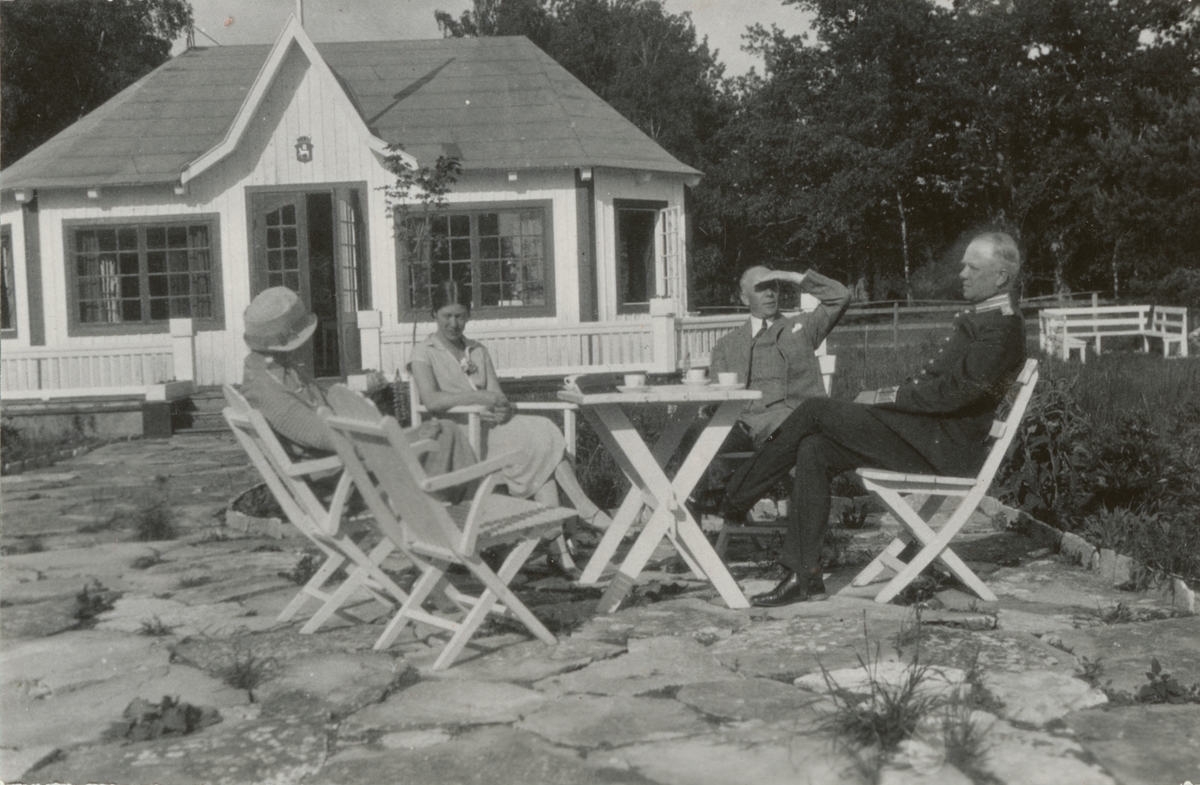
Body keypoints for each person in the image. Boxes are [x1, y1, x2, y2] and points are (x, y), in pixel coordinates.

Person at [720, 232, 1027, 607]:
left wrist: (887, 397)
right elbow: (942, 387)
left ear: (999, 277)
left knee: (816, 409)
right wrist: (887, 399)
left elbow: (954, 393)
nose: (961, 272)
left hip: (943, 448)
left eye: (972, 267)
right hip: (928, 436)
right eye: (963, 264)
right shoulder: (985, 319)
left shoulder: (1003, 328)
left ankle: (732, 499)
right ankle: (803, 575)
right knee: (815, 447)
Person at [409, 280, 612, 531]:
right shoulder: (423, 351)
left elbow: (497, 395)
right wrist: (478, 399)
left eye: (460, 316)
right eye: (446, 316)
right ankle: (577, 514)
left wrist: (501, 408)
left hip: (491, 428)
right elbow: (431, 400)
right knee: (541, 438)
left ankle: (556, 533)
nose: (453, 324)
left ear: (469, 316)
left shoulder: (477, 350)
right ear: (434, 315)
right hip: (461, 436)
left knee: (542, 434)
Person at [240, 286, 475, 488]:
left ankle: (459, 509)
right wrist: (407, 436)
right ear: (285, 344)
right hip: (341, 477)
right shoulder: (269, 389)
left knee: (442, 430)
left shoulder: (271, 372)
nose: (309, 341)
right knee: (445, 434)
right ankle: (459, 516)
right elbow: (329, 436)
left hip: (342, 465)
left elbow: (326, 403)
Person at [711, 266, 851, 448]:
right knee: (693, 435)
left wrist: (792, 276)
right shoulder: (726, 344)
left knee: (782, 434)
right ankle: (732, 477)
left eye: (774, 286)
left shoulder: (802, 328)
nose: (770, 293)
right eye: (761, 288)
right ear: (745, 299)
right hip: (739, 424)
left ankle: (755, 475)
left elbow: (841, 297)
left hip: (786, 422)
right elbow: (713, 400)